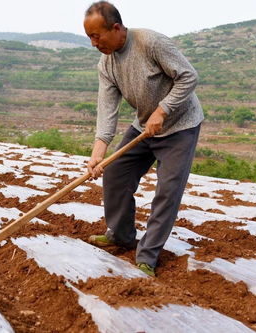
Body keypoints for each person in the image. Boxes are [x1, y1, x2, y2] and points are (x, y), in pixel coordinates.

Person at [83, 1, 204, 277]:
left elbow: (188, 76)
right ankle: (122, 235)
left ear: (115, 28)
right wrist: (97, 153)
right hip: (144, 126)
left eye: (96, 36)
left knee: (167, 190)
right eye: (89, 37)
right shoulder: (107, 64)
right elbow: (107, 111)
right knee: (114, 172)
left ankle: (147, 257)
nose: (93, 43)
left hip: (179, 126)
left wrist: (163, 110)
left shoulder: (151, 43)